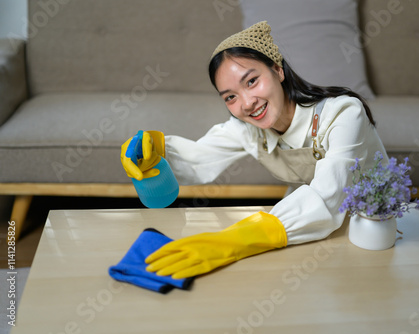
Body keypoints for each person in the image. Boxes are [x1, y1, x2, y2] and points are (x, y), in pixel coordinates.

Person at [120, 21, 388, 280]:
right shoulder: (246, 129)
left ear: (278, 70)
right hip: (308, 227)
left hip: (376, 226)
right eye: (230, 97)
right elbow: (197, 160)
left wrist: (237, 238)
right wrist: (154, 154)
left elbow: (330, 193)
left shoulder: (342, 113)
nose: (247, 103)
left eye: (251, 81)